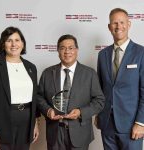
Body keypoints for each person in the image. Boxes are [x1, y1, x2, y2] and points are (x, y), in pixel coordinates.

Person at [37, 34, 105, 150]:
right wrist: (48, 111)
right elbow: (39, 97)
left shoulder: (89, 74)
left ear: (77, 50)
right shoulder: (47, 73)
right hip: (55, 133)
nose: (67, 51)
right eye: (62, 48)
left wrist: (80, 112)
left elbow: (99, 101)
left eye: (71, 48)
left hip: (80, 133)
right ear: (58, 51)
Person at [96, 8, 144, 150]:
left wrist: (141, 123)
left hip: (132, 125)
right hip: (107, 124)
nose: (118, 26)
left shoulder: (141, 53)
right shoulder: (102, 54)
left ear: (129, 24)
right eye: (114, 23)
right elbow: (100, 89)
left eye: (122, 22)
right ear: (109, 27)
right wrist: (99, 114)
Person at [0, 26, 39, 150]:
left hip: (26, 121)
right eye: (9, 40)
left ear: (23, 44)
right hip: (1, 122)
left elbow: (34, 97)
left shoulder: (31, 67)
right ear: (3, 45)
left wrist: (35, 123)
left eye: (17, 40)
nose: (14, 44)